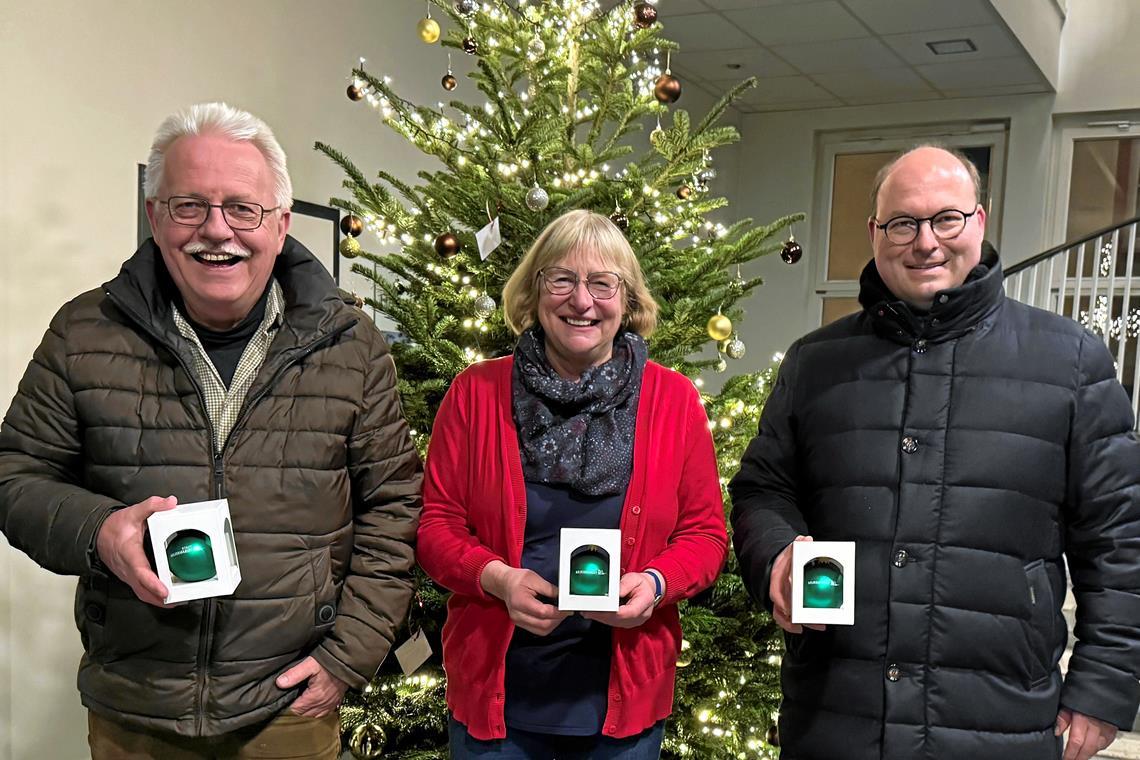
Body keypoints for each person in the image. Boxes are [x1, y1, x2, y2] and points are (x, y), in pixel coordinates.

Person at [0, 102, 422, 758]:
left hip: (287, 708)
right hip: (135, 709)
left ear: (281, 225)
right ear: (155, 218)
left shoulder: (352, 347)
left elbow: (395, 507)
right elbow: (14, 475)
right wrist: (98, 532)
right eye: (188, 205)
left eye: (242, 208)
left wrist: (350, 656)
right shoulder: (84, 332)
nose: (215, 231)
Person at [730, 145, 1140, 760]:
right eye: (902, 223)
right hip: (838, 713)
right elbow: (764, 490)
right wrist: (776, 555)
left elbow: (1118, 535)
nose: (925, 242)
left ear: (980, 220)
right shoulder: (816, 363)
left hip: (997, 718)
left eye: (945, 218)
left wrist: (1104, 684)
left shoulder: (1070, 360)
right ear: (874, 233)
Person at [417, 209, 728, 758]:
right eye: (561, 279)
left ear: (628, 300)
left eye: (602, 283)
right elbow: (436, 527)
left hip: (622, 703)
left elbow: (705, 535)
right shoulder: (476, 393)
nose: (581, 301)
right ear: (534, 292)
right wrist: (496, 579)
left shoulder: (673, 400)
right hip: (500, 698)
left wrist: (655, 584)